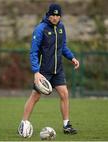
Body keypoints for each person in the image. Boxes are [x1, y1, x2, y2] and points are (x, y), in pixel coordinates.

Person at [19, 3, 79, 135]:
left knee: (64, 94)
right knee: (35, 97)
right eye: (53, 15)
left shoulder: (61, 28)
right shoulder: (40, 29)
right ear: (49, 14)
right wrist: (36, 72)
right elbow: (33, 52)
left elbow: (63, 47)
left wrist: (72, 58)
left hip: (58, 70)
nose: (55, 18)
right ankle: (23, 124)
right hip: (43, 71)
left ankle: (66, 125)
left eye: (58, 15)